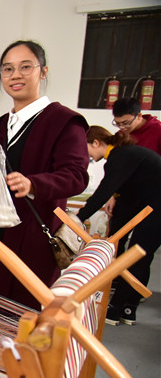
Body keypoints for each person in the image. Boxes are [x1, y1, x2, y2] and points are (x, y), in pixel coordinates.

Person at [0, 39, 89, 378]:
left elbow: (76, 175)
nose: (15, 75)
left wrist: (34, 183)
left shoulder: (64, 121)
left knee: (19, 318)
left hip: (33, 238)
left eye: (25, 67)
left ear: (43, 71)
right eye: (7, 68)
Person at [76, 126, 161, 326]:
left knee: (138, 253)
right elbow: (120, 187)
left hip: (156, 205)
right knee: (127, 246)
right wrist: (115, 197)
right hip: (146, 200)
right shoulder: (122, 155)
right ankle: (126, 308)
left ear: (95, 143)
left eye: (85, 148)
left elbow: (104, 190)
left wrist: (79, 217)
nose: (85, 155)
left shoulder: (120, 156)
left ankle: (118, 309)